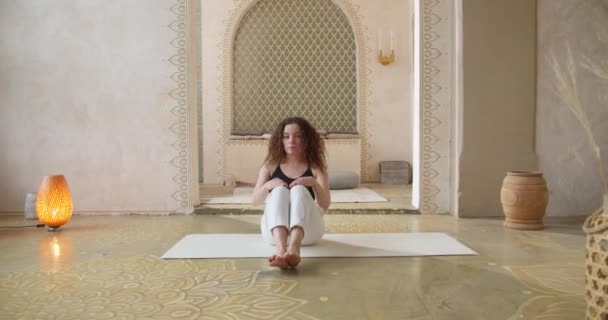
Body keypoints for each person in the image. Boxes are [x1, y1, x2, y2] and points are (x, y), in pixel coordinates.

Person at [252, 117, 330, 269]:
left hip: (308, 234)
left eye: (298, 136)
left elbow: (325, 204)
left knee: (299, 189)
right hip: (273, 235)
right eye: (286, 136)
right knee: (279, 190)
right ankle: (280, 250)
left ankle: (294, 248)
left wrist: (313, 183)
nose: (291, 140)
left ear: (307, 140)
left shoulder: (316, 168)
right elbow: (254, 201)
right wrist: (268, 185)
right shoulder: (270, 166)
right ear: (280, 140)